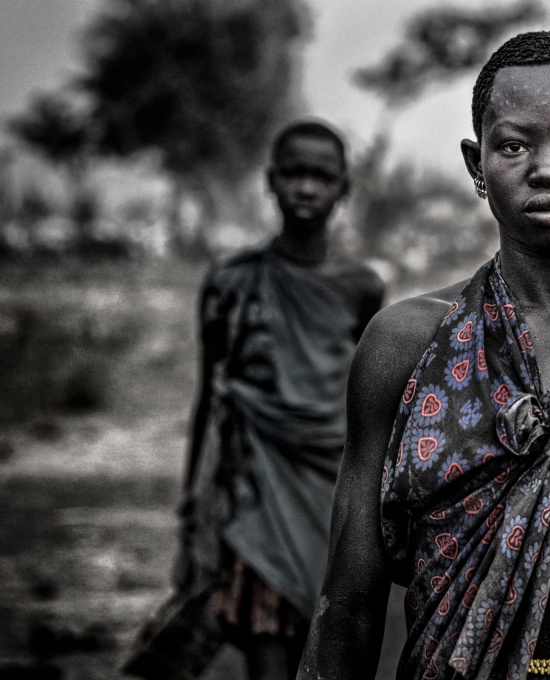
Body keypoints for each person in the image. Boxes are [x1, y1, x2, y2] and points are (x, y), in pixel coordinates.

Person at [297, 32, 550, 680]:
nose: (548, 167)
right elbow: (347, 608)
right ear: (476, 165)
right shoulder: (407, 348)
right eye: (514, 145)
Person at [179, 119, 385, 680]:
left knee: (327, 646)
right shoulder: (232, 281)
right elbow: (207, 400)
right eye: (294, 173)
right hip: (258, 487)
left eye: (322, 176)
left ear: (344, 188)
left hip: (332, 490)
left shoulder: (363, 288)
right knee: (268, 647)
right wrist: (190, 511)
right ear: (271, 181)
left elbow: (371, 409)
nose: (306, 188)